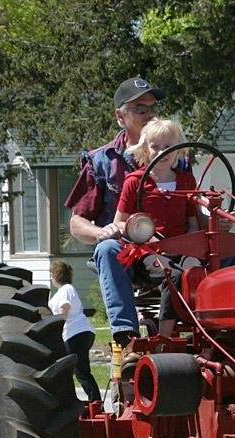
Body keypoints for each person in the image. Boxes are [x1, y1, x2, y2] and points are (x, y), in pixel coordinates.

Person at [65, 76, 166, 349]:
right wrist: (101, 231)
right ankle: (127, 337)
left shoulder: (174, 154)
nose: (150, 114)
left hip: (170, 247)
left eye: (154, 108)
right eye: (141, 109)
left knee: (231, 247)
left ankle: (231, 333)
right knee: (108, 248)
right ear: (120, 116)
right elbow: (77, 222)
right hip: (127, 253)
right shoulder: (101, 160)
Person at [114, 118, 202, 337]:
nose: (162, 152)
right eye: (155, 146)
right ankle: (165, 337)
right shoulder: (135, 182)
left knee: (197, 272)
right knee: (171, 274)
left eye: (168, 147)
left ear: (178, 150)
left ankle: (201, 332)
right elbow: (119, 222)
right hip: (149, 251)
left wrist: (192, 247)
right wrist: (139, 231)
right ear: (145, 149)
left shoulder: (186, 181)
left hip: (181, 249)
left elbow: (193, 223)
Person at [48, 260, 101, 402]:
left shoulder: (66, 289)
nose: (50, 278)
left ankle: (95, 401)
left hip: (75, 333)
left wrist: (57, 326)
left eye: (52, 274)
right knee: (72, 369)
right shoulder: (64, 290)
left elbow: (64, 308)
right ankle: (87, 400)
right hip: (79, 332)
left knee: (79, 371)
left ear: (57, 275)